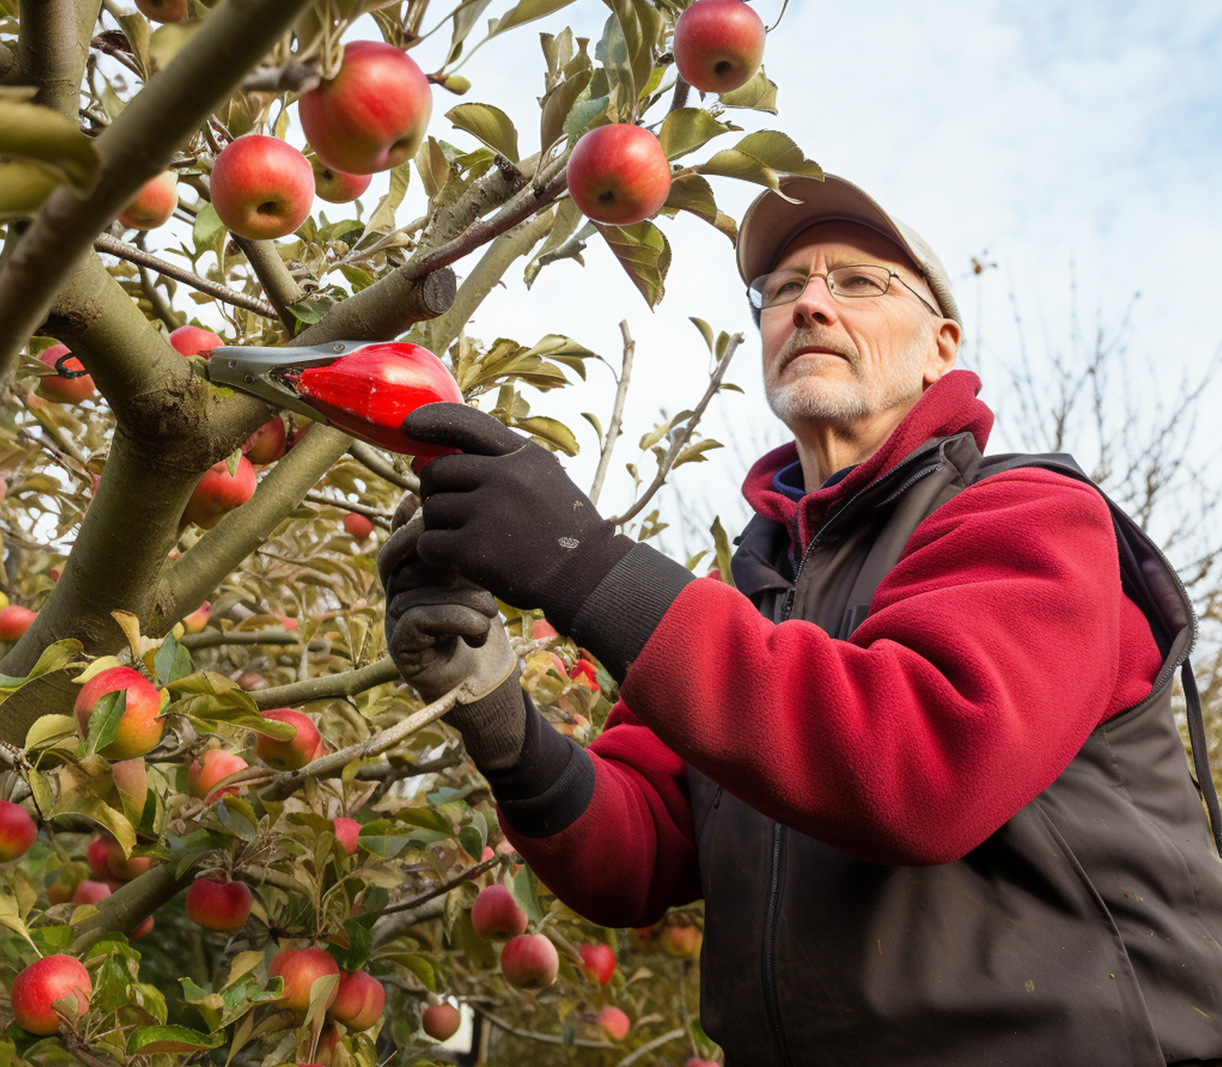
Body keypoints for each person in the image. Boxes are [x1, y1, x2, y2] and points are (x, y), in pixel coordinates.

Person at [378, 174, 1222, 1067]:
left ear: (940, 346)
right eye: (782, 289)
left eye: (857, 281)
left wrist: (579, 563)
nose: (809, 305)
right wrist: (496, 716)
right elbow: (640, 847)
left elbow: (922, 766)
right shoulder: (746, 597)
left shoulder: (1025, 516)